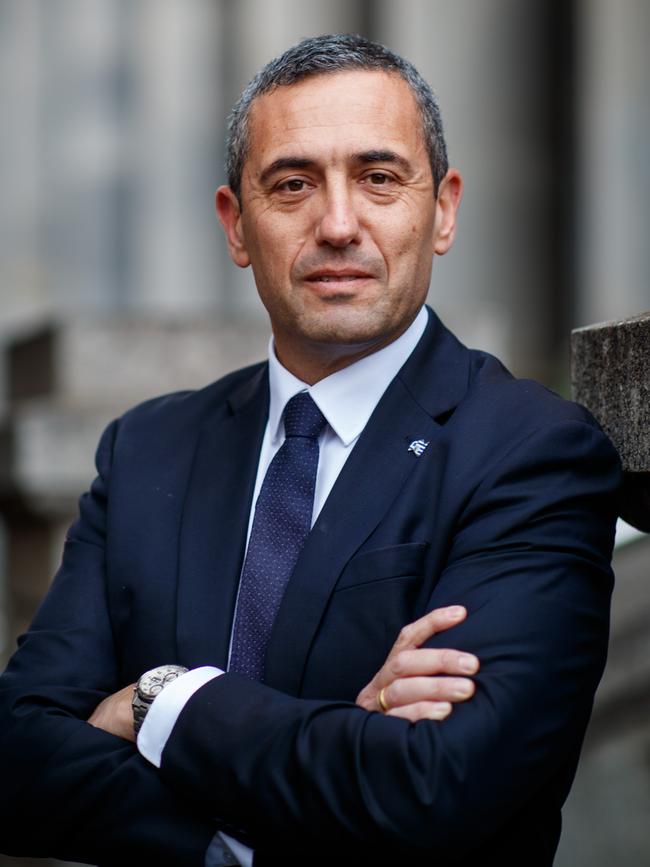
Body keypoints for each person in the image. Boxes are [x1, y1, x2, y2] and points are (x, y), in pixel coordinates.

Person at [0, 34, 620, 867]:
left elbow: (439, 788)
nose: (337, 223)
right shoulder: (147, 449)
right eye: (293, 184)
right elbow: (18, 756)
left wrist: (166, 699)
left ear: (442, 210)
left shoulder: (532, 452)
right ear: (236, 225)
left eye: (378, 177)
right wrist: (314, 772)